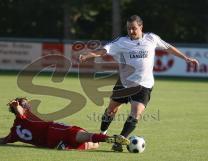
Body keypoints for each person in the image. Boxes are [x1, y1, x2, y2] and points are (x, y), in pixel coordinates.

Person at [79, 15, 199, 152]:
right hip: (124, 84)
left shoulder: (151, 38)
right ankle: (102, 134)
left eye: (134, 28)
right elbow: (103, 51)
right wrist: (88, 55)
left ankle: (120, 140)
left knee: (136, 113)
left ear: (141, 27)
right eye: (129, 29)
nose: (131, 31)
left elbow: (168, 47)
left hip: (144, 85)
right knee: (111, 109)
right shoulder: (121, 42)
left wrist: (186, 58)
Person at [0, 97, 129, 150]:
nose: (28, 105)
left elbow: (3, 140)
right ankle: (111, 138)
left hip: (49, 143)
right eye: (26, 103)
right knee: (85, 135)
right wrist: (16, 104)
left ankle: (67, 147)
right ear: (23, 107)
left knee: (89, 144)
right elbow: (19, 111)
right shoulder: (25, 116)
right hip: (54, 129)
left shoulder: (14, 132)